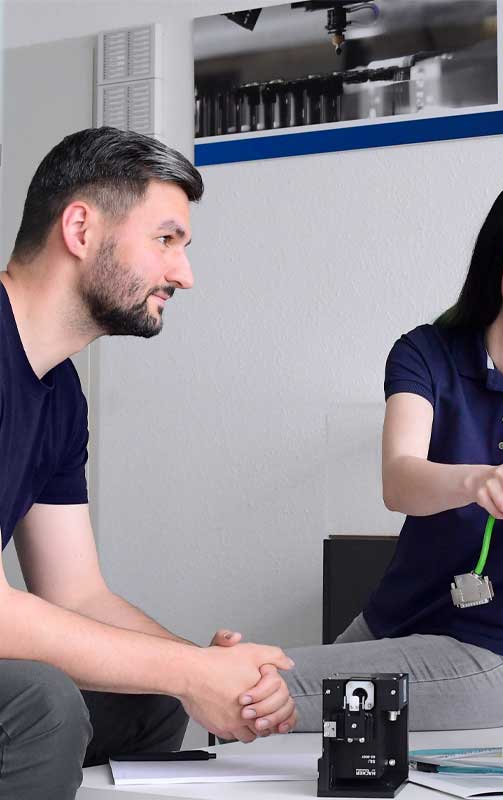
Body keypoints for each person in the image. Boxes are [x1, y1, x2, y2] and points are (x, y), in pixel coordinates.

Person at [0, 127, 296, 799]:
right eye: (166, 239)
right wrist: (191, 672)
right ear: (80, 229)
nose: (184, 274)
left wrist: (202, 674)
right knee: (41, 704)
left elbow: (77, 594)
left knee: (152, 697)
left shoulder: (59, 394)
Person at [282, 172, 503, 731]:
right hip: (390, 623)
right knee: (248, 688)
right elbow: (400, 482)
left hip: (496, 654)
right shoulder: (424, 353)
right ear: (500, 247)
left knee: (254, 687)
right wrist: (477, 480)